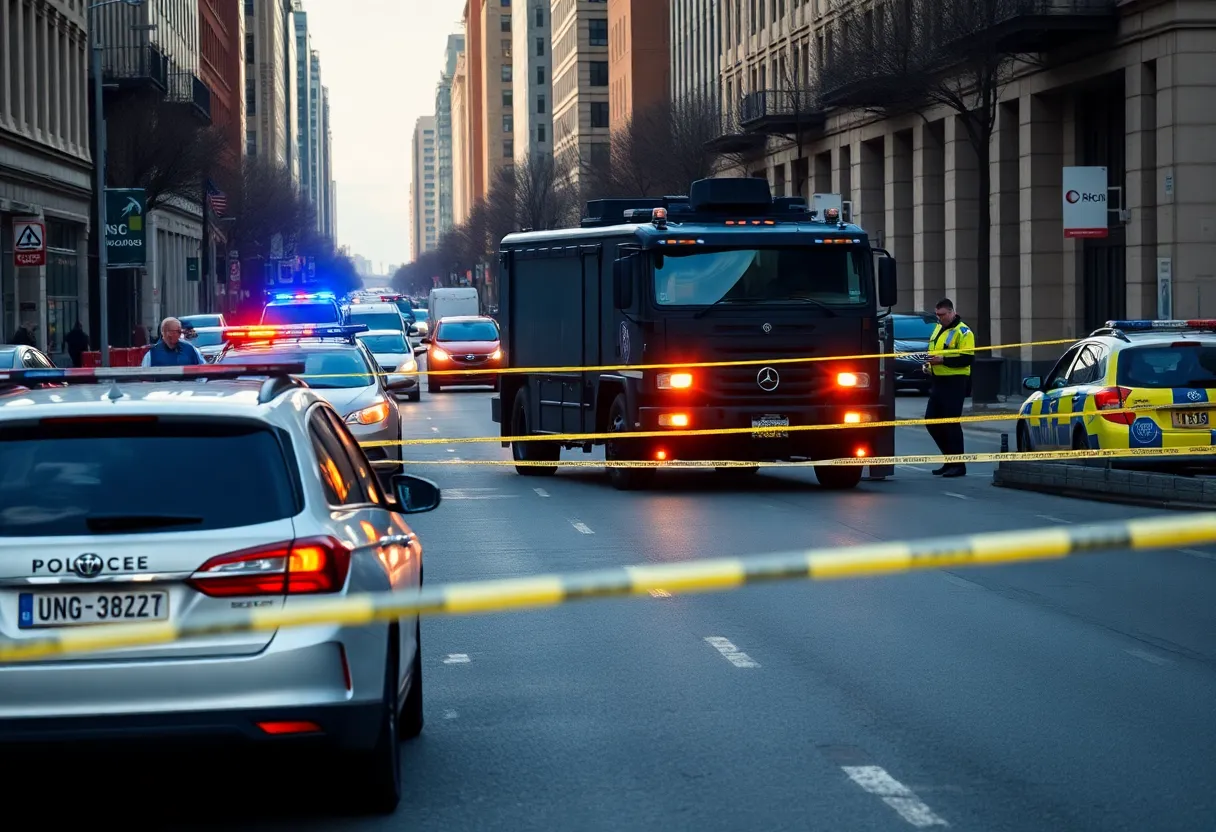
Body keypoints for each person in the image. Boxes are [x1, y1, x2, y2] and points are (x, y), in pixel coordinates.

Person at [924, 298, 975, 478]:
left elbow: (967, 358)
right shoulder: (939, 328)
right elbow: (934, 351)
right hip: (938, 381)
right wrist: (928, 365)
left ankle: (958, 465)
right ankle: (949, 460)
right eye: (937, 315)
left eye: (943, 315)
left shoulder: (963, 331)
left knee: (951, 423)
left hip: (955, 382)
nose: (940, 318)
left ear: (952, 312)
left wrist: (943, 360)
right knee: (931, 421)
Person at [141, 317, 205, 366]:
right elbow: (144, 376)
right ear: (166, 333)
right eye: (178, 331)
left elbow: (203, 369)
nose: (180, 334)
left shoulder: (191, 349)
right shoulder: (152, 353)